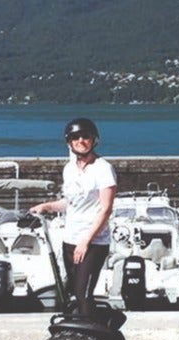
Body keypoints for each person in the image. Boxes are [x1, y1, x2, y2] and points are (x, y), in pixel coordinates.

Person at [29, 118, 117, 316]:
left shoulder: (103, 169)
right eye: (75, 137)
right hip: (70, 240)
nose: (81, 141)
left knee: (83, 293)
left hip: (93, 242)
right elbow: (69, 203)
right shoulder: (69, 169)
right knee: (73, 294)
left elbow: (106, 209)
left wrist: (86, 240)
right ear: (69, 142)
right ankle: (82, 334)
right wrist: (47, 206)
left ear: (94, 140)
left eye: (85, 136)